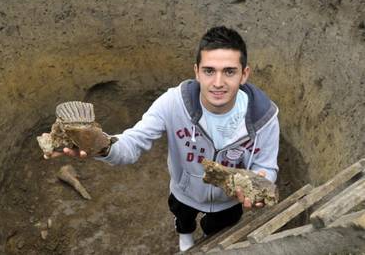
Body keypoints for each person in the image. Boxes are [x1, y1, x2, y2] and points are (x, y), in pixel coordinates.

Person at [46, 26, 280, 252]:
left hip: (228, 202)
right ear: (197, 71)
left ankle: (209, 239)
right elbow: (133, 142)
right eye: (209, 71)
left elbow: (266, 166)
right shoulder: (173, 103)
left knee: (218, 229)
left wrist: (262, 183)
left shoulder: (264, 117)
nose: (218, 82)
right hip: (184, 191)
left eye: (229, 71)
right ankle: (185, 239)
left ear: (244, 74)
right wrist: (102, 146)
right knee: (183, 218)